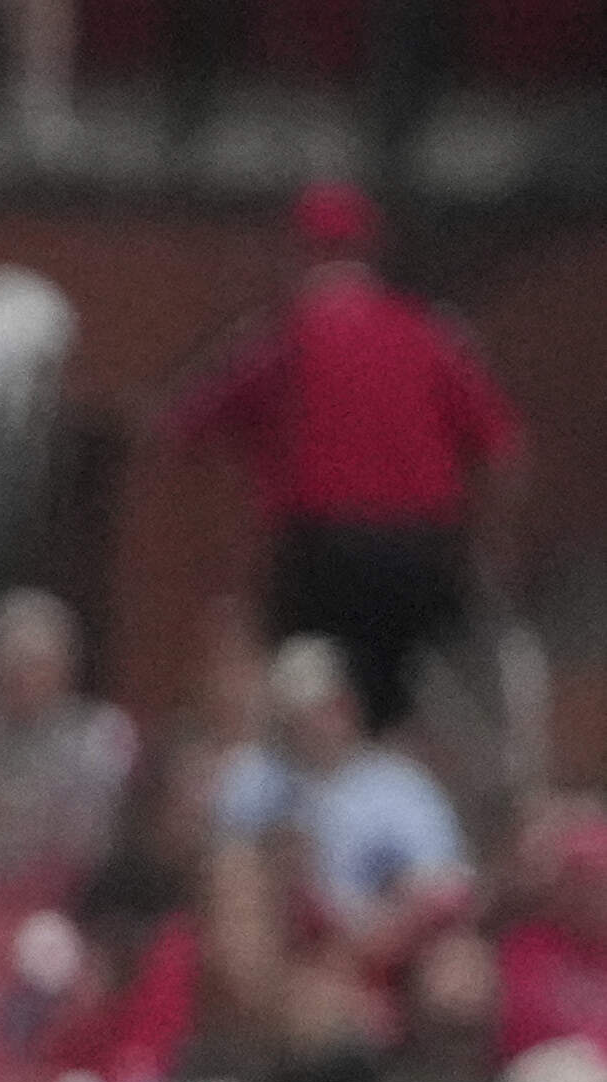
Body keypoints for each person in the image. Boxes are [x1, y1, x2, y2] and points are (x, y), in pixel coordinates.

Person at [167, 190, 520, 752]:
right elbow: (501, 452)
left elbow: (185, 428)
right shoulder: (430, 332)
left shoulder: (285, 336)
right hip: (422, 554)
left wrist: (226, 563)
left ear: (299, 252)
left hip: (322, 553)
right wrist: (486, 556)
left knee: (303, 698)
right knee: (409, 710)